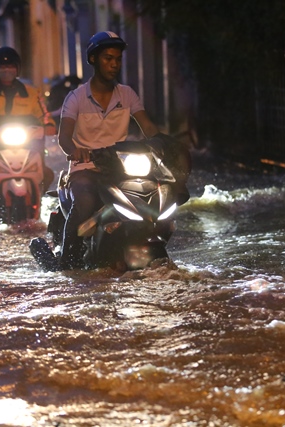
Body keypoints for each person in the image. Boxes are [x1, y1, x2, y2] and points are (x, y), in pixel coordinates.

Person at [43, 31, 190, 271]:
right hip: (86, 168)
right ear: (93, 60)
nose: (114, 64)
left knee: (157, 194)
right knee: (86, 201)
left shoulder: (127, 94)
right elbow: (64, 138)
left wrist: (166, 144)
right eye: (107, 58)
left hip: (121, 165)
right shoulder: (76, 97)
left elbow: (149, 128)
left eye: (117, 59)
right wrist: (77, 151)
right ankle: (68, 263)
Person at [0, 46, 56, 192]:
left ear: (17, 69)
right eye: (2, 67)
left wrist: (49, 125)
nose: (6, 70)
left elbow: (44, 115)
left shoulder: (32, 92)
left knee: (46, 174)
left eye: (10, 66)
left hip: (29, 141)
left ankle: (39, 195)